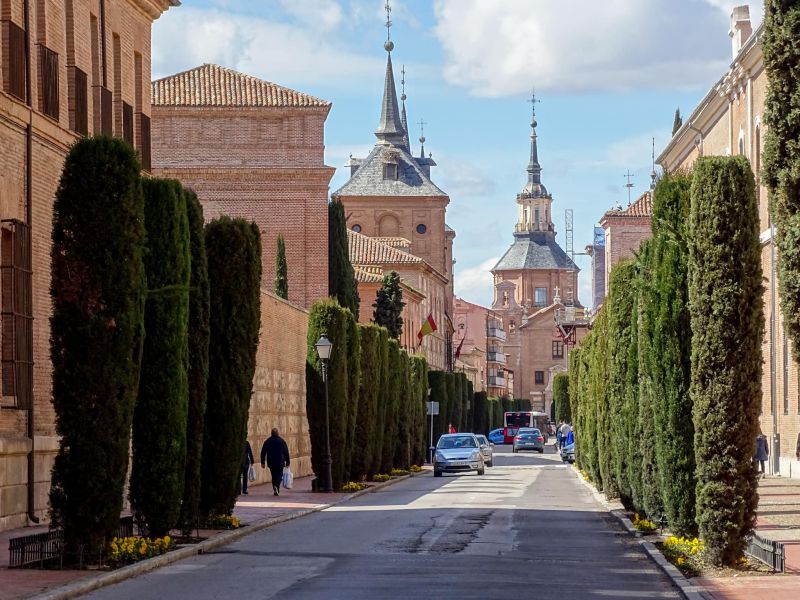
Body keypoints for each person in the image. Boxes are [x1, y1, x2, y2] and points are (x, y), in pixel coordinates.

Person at [261, 428, 290, 497]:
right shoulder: (282, 441)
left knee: (273, 475)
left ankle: (275, 487)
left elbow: (263, 452)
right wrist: (288, 462)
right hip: (280, 461)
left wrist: (262, 462)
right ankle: (277, 486)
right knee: (279, 475)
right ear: (278, 433)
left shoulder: (267, 441)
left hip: (271, 462)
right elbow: (286, 452)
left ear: (271, 433)